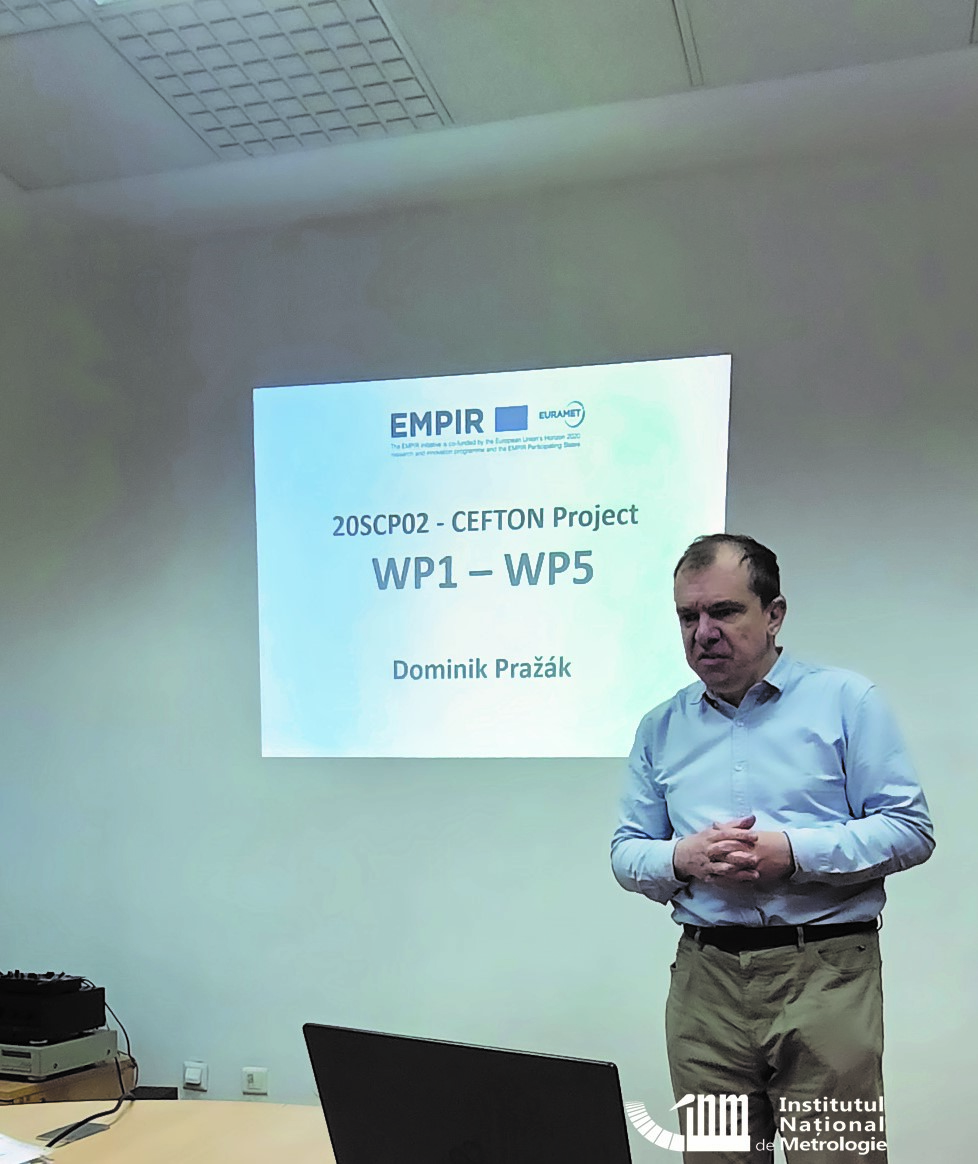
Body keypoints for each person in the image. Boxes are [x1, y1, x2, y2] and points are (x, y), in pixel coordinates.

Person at [610, 534, 934, 1164]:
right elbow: (626, 852)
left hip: (825, 976)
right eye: (688, 616)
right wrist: (682, 858)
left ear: (774, 614)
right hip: (705, 985)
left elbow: (909, 828)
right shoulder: (660, 727)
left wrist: (793, 852)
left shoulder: (846, 702)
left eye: (724, 611)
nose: (703, 632)